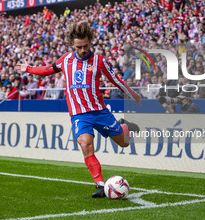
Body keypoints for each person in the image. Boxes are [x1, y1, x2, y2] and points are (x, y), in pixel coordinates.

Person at [15, 21, 141, 198]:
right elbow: (46, 70)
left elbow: (116, 81)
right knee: (85, 144)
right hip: (79, 115)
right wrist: (27, 68)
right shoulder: (66, 59)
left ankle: (124, 126)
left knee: (124, 142)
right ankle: (100, 184)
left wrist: (133, 95)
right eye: (79, 47)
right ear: (72, 45)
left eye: (86, 46)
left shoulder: (99, 61)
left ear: (90, 41)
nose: (83, 50)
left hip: (99, 111)